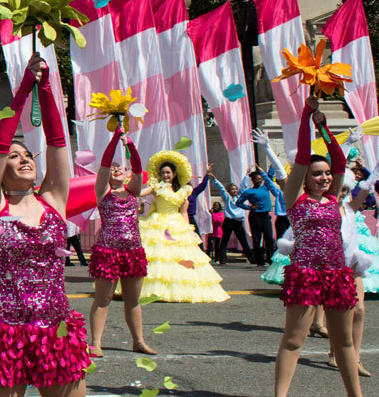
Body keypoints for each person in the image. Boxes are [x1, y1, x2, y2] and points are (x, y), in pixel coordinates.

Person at [0, 52, 90, 397]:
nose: (24, 159)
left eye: (28, 154)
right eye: (14, 156)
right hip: (6, 331)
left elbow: (57, 143)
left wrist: (47, 87)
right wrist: (22, 90)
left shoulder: (54, 198)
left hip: (57, 329)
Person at [265, 96, 379, 397]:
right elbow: (303, 157)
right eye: (317, 174)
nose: (325, 177)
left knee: (344, 342)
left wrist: (325, 126)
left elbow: (340, 161)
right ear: (303, 178)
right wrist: (305, 117)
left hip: (337, 275)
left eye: (327, 173)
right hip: (305, 274)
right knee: (294, 340)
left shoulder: (335, 199)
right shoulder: (295, 199)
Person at [87, 128, 154, 357]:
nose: (116, 170)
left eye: (121, 168)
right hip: (108, 252)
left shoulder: (133, 191)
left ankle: (139, 341)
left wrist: (130, 145)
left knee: (133, 300)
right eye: (113, 169)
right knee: (103, 299)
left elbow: (137, 167)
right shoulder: (103, 191)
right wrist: (114, 140)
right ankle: (95, 343)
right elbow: (105, 165)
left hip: (133, 252)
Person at [137, 149, 229, 303]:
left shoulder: (183, 191)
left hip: (176, 223)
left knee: (178, 257)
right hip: (157, 223)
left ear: (174, 174)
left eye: (168, 173)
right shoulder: (156, 186)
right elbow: (139, 192)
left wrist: (187, 230)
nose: (165, 175)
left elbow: (183, 212)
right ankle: (153, 289)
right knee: (158, 257)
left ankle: (176, 289)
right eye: (163, 173)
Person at [236, 165, 283, 266]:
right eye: (256, 179)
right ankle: (259, 260)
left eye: (260, 179)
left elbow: (269, 176)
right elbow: (238, 203)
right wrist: (249, 207)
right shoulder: (249, 191)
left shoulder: (265, 187)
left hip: (265, 216)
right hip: (255, 216)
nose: (259, 180)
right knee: (257, 238)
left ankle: (270, 258)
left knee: (269, 237)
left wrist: (272, 165)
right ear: (252, 180)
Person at [213, 179, 255, 265]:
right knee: (225, 240)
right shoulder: (227, 197)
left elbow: (243, 186)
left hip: (238, 221)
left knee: (243, 240)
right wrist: (215, 179)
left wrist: (246, 175)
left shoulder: (240, 197)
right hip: (229, 221)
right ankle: (222, 258)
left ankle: (251, 258)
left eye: (235, 189)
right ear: (229, 191)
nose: (235, 190)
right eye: (232, 189)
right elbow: (221, 189)